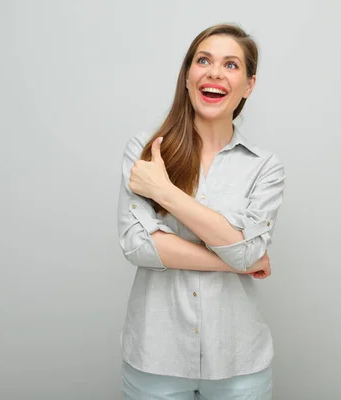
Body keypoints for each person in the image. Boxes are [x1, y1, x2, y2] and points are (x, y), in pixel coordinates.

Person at [117, 23, 286, 400]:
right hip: (155, 360)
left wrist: (164, 192)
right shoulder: (145, 152)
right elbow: (138, 245)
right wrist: (237, 259)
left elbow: (248, 251)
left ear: (249, 85)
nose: (214, 72)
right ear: (188, 75)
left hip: (239, 364)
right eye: (203, 60)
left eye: (231, 65)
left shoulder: (265, 167)